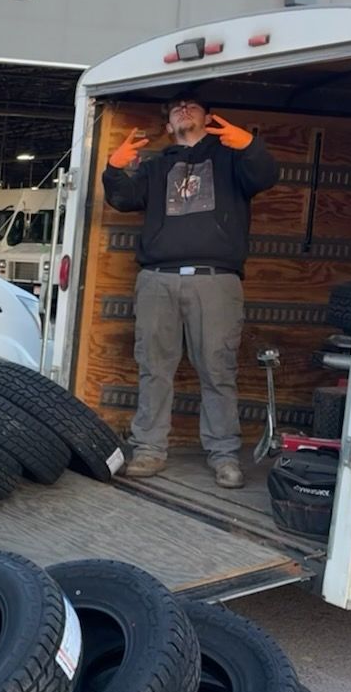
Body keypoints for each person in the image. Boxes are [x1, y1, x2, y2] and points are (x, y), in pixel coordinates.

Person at [101, 93, 279, 488]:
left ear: (208, 117)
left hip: (215, 279)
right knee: (154, 367)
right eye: (176, 108)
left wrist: (249, 145)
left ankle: (224, 456)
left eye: (192, 106)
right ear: (168, 126)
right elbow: (124, 199)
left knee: (218, 369)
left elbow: (266, 175)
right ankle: (149, 450)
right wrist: (114, 168)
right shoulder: (154, 165)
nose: (184, 110)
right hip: (157, 278)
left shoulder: (231, 157)